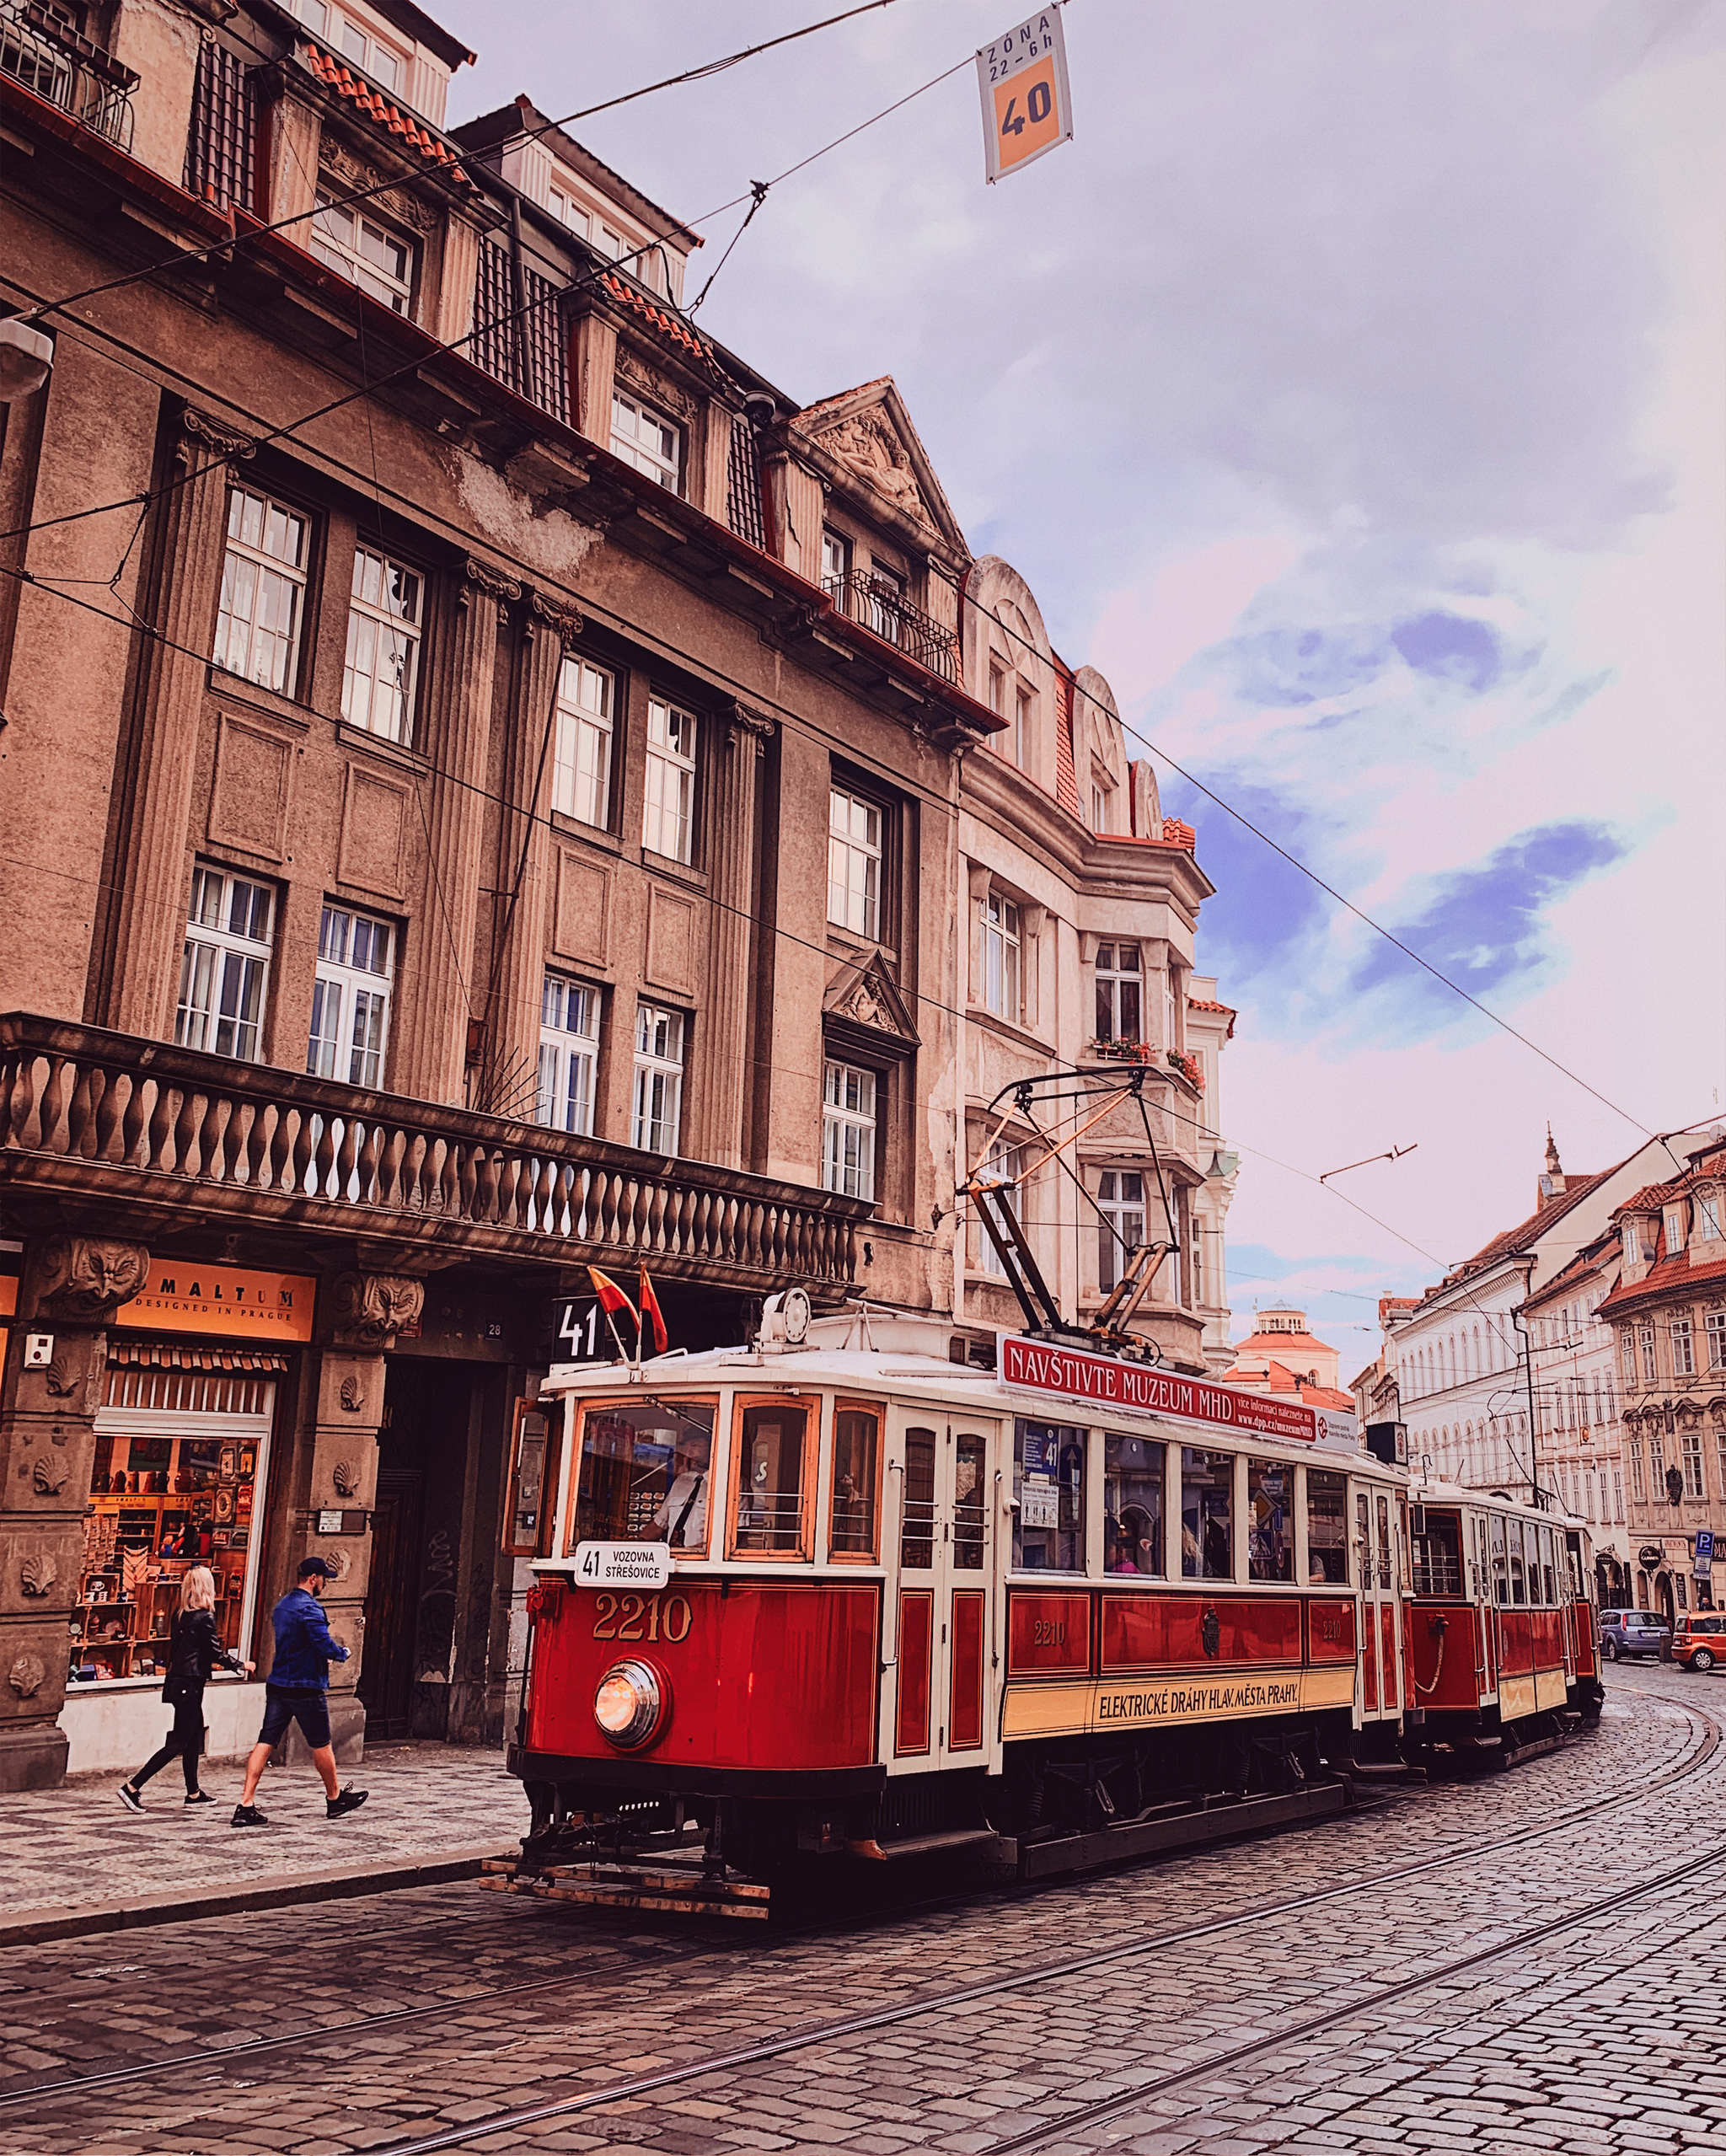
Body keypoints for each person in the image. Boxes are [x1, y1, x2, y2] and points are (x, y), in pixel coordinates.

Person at [231, 1557, 367, 1827]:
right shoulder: (311, 1609)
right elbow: (323, 1644)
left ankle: (245, 1803)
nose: (325, 1584)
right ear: (313, 1579)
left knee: (266, 1740)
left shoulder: (283, 1606)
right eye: (323, 1578)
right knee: (321, 1743)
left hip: (279, 1682)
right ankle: (334, 1797)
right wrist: (341, 1653)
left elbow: (295, 1643)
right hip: (305, 1686)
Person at [118, 1568, 254, 1810]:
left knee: (192, 1737)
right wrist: (241, 1664)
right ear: (207, 1588)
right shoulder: (204, 1617)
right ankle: (132, 1787)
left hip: (179, 1681)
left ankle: (193, 1793)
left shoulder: (180, 1615)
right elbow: (214, 1652)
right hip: (190, 1683)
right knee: (179, 1741)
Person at [651, 1430, 710, 1550]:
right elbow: (659, 1524)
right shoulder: (681, 1481)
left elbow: (735, 1535)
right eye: (686, 1447)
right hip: (673, 1558)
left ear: (712, 1447)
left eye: (695, 1446)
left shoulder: (730, 1484)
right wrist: (637, 1543)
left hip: (702, 1562)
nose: (689, 1453)